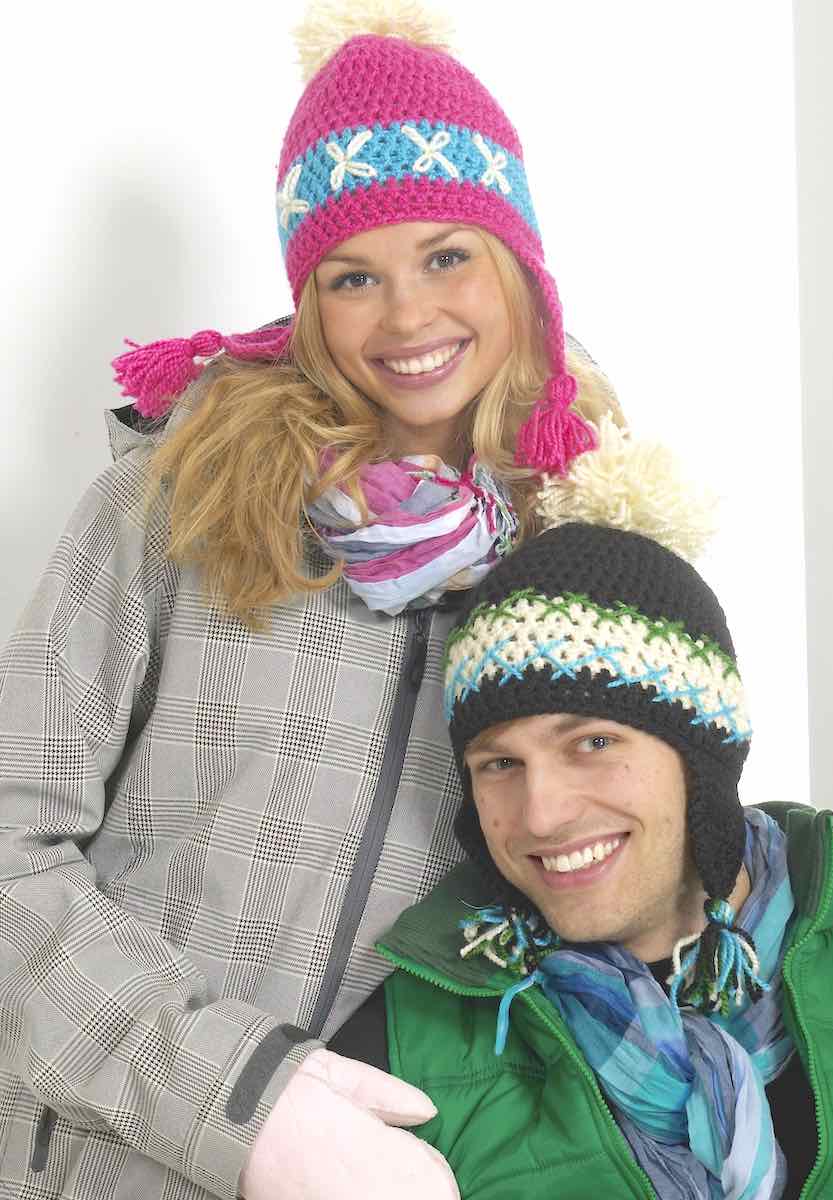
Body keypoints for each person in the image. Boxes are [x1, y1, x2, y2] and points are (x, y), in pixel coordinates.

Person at [0, 2, 625, 1198]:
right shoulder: (174, 505)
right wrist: (248, 1105)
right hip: (106, 1165)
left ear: (518, 265)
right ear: (307, 301)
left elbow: (648, 857)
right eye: (354, 276)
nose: (408, 316)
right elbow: (9, 858)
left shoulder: (581, 556)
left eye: (447, 255)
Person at [339, 512, 833, 1199]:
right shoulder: (397, 1051)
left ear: (704, 755)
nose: (541, 814)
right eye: (500, 763)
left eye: (593, 743)